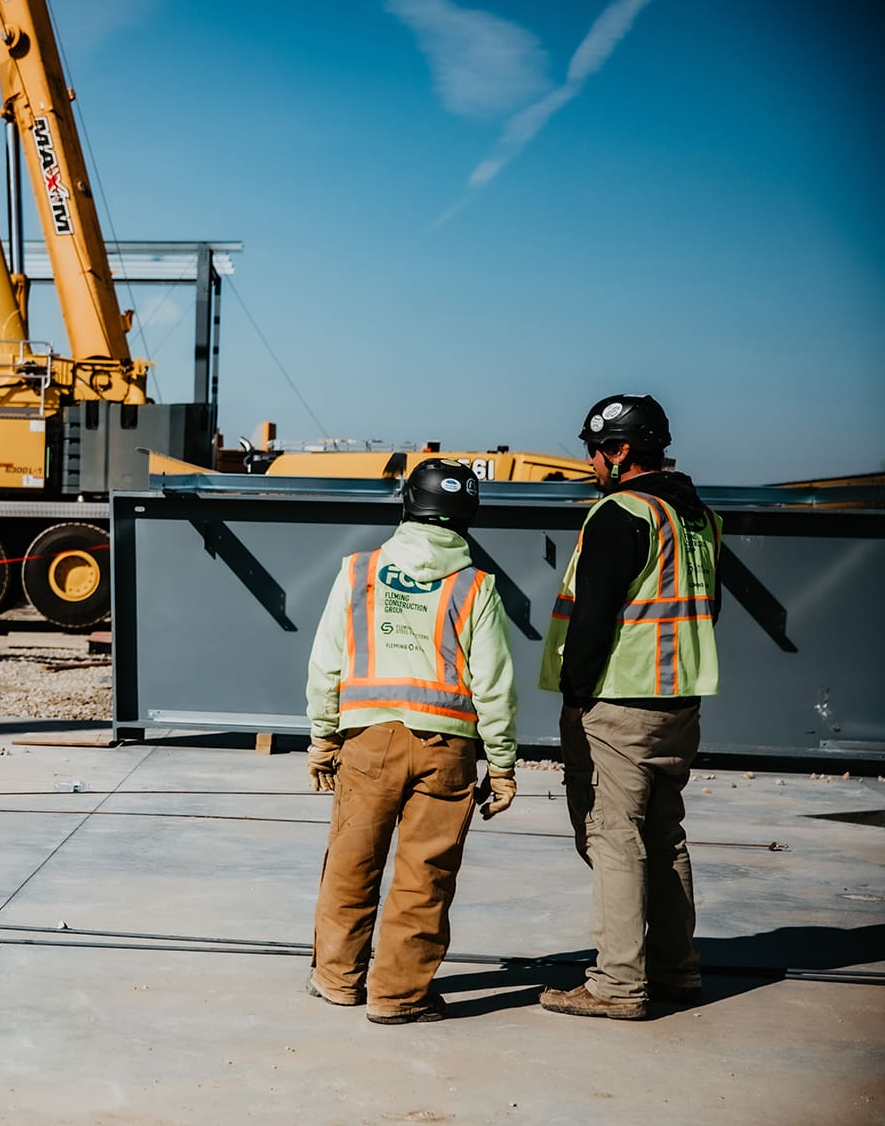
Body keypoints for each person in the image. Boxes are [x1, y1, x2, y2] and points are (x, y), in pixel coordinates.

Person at [305, 459, 519, 1024]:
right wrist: (502, 765)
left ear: (407, 504)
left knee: (351, 861)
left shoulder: (358, 571)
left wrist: (322, 739)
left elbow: (326, 663)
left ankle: (336, 980)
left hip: (368, 740)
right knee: (425, 875)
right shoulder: (477, 586)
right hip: (447, 749)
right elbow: (494, 684)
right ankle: (398, 997)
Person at [537, 395, 720, 1020]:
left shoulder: (619, 513)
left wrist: (573, 698)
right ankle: (676, 971)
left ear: (619, 451)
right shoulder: (698, 518)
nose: (590, 462)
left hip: (619, 698)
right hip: (680, 699)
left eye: (595, 450)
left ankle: (617, 983)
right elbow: (706, 608)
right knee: (664, 835)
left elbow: (592, 620)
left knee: (614, 839)